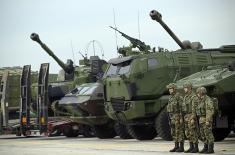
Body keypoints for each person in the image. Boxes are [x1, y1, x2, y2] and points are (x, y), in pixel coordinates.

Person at [196, 87, 215, 154]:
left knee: (208, 134)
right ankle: (205, 147)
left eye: (198, 93)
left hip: (206, 119)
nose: (197, 94)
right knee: (203, 134)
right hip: (201, 119)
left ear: (202, 93)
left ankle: (210, 148)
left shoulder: (207, 100)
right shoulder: (200, 100)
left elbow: (209, 111)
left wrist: (208, 120)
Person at [166, 83, 184, 152]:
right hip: (172, 117)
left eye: (171, 89)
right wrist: (169, 119)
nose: (170, 90)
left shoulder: (178, 96)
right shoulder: (170, 97)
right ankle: (176, 146)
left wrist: (181, 118)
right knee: (173, 132)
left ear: (174, 89)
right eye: (169, 89)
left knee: (179, 131)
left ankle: (181, 147)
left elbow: (181, 108)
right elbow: (168, 108)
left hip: (177, 116)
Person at [182, 82, 199, 153]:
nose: (184, 89)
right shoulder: (185, 97)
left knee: (193, 132)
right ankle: (191, 147)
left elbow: (194, 108)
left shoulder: (193, 97)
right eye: (184, 88)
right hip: (186, 116)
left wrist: (193, 118)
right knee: (187, 132)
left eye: (185, 88)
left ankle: (196, 147)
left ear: (189, 88)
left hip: (191, 115)